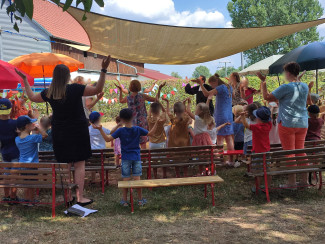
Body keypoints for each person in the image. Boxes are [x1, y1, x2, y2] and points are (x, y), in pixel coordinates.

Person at [15, 54, 111, 206]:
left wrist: (25, 80)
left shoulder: (49, 92)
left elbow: (32, 97)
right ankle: (79, 198)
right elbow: (98, 88)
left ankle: (67, 197)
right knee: (79, 163)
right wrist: (103, 69)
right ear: (67, 76)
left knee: (65, 164)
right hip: (78, 130)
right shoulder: (75, 88)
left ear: (54, 76)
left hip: (60, 132)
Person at [258, 62, 312, 188]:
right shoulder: (304, 86)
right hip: (303, 123)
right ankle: (304, 181)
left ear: (287, 73)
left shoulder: (285, 87)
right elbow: (306, 99)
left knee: (290, 153)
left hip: (287, 123)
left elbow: (267, 97)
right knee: (300, 152)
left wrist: (263, 82)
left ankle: (292, 183)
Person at [92, 108, 160, 207]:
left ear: (121, 119)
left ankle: (124, 201)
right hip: (136, 157)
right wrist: (157, 122)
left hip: (125, 158)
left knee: (126, 179)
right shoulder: (137, 129)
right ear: (133, 117)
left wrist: (100, 129)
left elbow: (107, 139)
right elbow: (151, 133)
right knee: (137, 179)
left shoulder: (120, 131)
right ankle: (140, 200)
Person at [197, 74, 235, 164]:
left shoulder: (220, 87)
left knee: (220, 138)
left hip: (221, 115)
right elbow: (232, 96)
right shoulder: (229, 86)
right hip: (229, 115)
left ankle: (220, 159)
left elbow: (206, 94)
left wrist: (201, 84)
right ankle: (231, 160)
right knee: (229, 138)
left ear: (215, 82)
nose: (211, 87)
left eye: (212, 85)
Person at [116, 80, 165, 149]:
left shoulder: (128, 97)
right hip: (142, 122)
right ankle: (143, 158)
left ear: (130, 87)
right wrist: (159, 89)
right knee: (143, 143)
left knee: (133, 141)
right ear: (139, 87)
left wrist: (120, 91)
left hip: (132, 122)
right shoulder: (142, 96)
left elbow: (121, 101)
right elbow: (156, 99)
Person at [186, 99, 230, 172]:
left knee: (200, 155)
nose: (195, 111)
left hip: (199, 138)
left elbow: (188, 112)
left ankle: (203, 170)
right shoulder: (207, 119)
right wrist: (208, 101)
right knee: (206, 153)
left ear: (200, 111)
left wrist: (189, 103)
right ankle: (209, 169)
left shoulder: (197, 118)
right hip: (205, 137)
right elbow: (206, 109)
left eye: (196, 109)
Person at [15, 115, 48, 206]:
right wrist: (38, 127)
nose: (33, 124)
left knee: (27, 183)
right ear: (26, 126)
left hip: (22, 164)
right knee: (32, 184)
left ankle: (27, 200)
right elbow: (45, 135)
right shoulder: (32, 138)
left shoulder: (17, 139)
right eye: (31, 123)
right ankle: (31, 200)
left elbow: (21, 134)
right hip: (32, 165)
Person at [241, 106, 272, 192]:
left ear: (258, 118)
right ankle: (267, 186)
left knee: (258, 171)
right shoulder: (268, 125)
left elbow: (246, 125)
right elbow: (270, 118)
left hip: (258, 152)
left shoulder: (257, 127)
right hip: (267, 151)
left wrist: (243, 117)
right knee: (267, 169)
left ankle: (257, 186)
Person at [0, 98, 20, 204]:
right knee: (14, 175)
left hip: (4, 152)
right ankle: (13, 197)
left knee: (6, 174)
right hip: (15, 151)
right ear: (10, 109)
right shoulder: (15, 123)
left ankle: (6, 196)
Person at [166, 100, 191, 177]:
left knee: (176, 159)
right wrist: (188, 104)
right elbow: (189, 114)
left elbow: (167, 112)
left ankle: (177, 174)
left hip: (174, 144)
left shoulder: (173, 119)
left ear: (175, 111)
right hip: (185, 144)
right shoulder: (186, 119)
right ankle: (185, 173)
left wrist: (167, 102)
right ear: (184, 110)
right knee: (185, 158)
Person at [147, 101, 167, 178]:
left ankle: (155, 176)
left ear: (151, 111)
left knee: (154, 161)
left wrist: (150, 109)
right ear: (159, 110)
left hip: (152, 144)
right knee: (163, 160)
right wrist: (160, 103)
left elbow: (149, 113)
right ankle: (164, 174)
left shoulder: (149, 119)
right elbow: (164, 111)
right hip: (161, 143)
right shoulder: (162, 120)